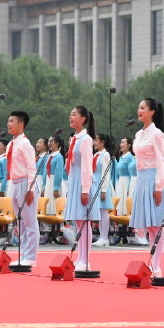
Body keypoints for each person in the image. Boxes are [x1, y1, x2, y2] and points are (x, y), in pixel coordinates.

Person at [129, 98, 164, 277]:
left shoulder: (157, 134)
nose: (139, 110)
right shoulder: (138, 134)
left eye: (143, 108)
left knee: (156, 225)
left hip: (153, 179)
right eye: (139, 107)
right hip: (141, 179)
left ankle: (156, 265)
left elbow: (161, 160)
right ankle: (152, 262)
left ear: (152, 112)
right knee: (148, 225)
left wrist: (159, 186)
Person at [64, 106, 99, 271]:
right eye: (70, 114)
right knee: (79, 222)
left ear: (83, 119)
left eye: (74, 114)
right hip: (74, 180)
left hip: (82, 181)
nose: (71, 117)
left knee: (85, 221)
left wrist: (85, 189)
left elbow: (87, 166)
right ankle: (80, 257)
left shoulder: (85, 139)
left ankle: (86, 259)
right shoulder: (74, 139)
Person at [6, 110, 40, 266]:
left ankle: (31, 257)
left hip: (26, 183)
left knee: (30, 222)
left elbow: (32, 168)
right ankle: (23, 254)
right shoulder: (11, 144)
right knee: (20, 223)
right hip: (15, 183)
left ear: (21, 124)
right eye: (8, 121)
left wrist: (30, 188)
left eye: (12, 121)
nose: (8, 124)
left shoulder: (25, 144)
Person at [92, 134, 114, 247]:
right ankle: (101, 236)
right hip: (95, 185)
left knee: (103, 211)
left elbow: (106, 173)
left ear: (102, 142)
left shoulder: (105, 155)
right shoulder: (96, 155)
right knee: (99, 212)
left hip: (102, 186)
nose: (94, 143)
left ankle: (104, 237)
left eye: (96, 141)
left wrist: (104, 190)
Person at [41, 134, 65, 215]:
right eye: (49, 141)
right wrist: (43, 186)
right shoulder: (48, 157)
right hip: (48, 182)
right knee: (47, 204)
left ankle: (58, 225)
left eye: (52, 141)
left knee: (55, 204)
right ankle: (47, 226)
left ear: (57, 143)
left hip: (54, 182)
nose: (49, 143)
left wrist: (56, 188)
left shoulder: (59, 157)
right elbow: (45, 172)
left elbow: (59, 173)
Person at [114, 137, 134, 216]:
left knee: (125, 203)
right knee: (120, 203)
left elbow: (130, 173)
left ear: (129, 145)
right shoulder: (121, 157)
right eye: (121, 142)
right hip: (120, 182)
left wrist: (129, 187)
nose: (120, 145)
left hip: (126, 181)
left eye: (123, 142)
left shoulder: (130, 157)